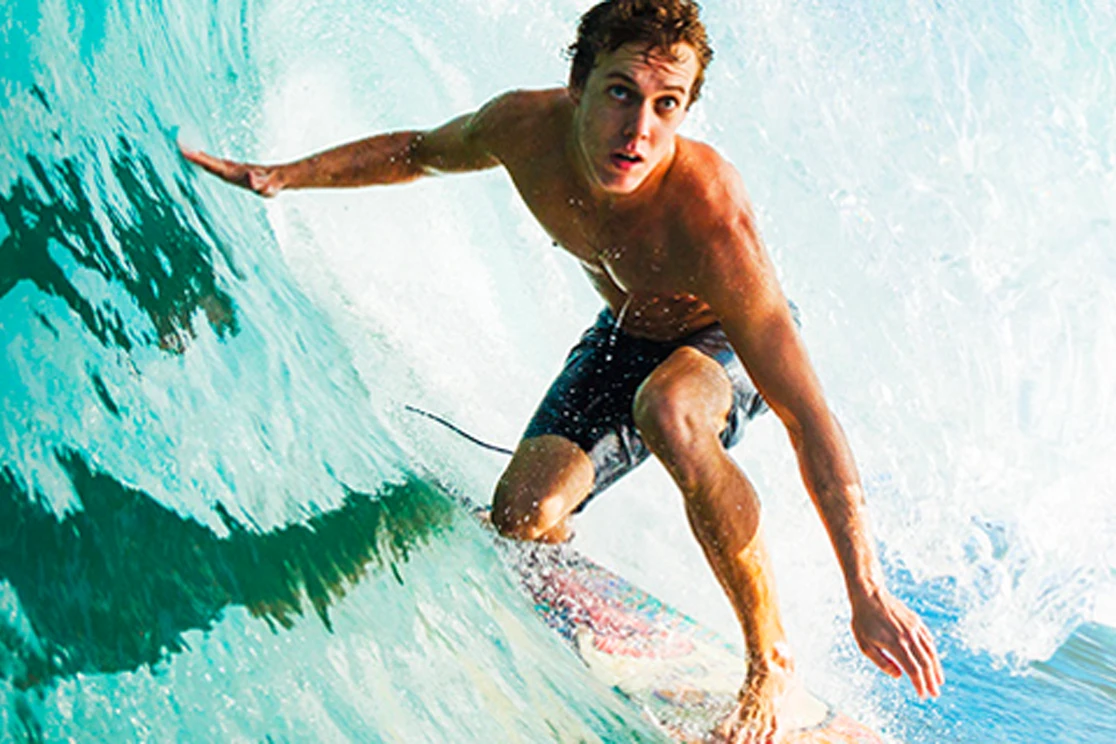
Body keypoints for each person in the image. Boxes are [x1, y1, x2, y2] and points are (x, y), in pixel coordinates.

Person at [182, 0, 944, 740]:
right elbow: (417, 152)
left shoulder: (713, 221)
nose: (639, 130)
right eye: (621, 94)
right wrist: (282, 176)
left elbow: (808, 414)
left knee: (670, 410)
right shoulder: (523, 127)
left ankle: (769, 659)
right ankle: (575, 588)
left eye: (666, 105)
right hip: (621, 337)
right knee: (522, 514)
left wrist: (865, 589)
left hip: (715, 349)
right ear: (578, 83)